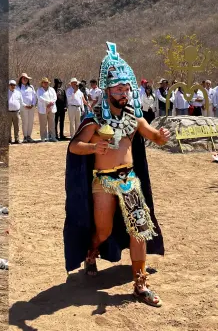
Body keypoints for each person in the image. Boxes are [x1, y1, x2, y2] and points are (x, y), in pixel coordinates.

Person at [64, 42, 169, 307]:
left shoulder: (135, 117)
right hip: (104, 181)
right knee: (104, 229)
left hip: (129, 181)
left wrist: (162, 136)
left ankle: (140, 284)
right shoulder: (95, 118)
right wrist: (94, 147)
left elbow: (154, 137)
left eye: (126, 89)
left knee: (140, 231)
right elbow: (74, 146)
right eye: (119, 89)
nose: (124, 93)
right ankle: (91, 252)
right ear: (108, 90)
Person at [17, 73, 37, 143]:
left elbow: (34, 96)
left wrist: (33, 104)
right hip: (23, 107)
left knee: (30, 122)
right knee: (25, 122)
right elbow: (19, 97)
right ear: (21, 79)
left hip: (31, 107)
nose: (25, 79)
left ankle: (29, 136)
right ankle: (25, 137)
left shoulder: (31, 87)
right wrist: (25, 105)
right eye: (24, 78)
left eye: (26, 78)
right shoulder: (18, 87)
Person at [37, 77, 58, 142]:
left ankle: (52, 137)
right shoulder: (39, 90)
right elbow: (40, 98)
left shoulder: (52, 89)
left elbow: (55, 97)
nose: (45, 84)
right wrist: (48, 103)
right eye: (44, 82)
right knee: (43, 124)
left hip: (51, 107)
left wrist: (51, 103)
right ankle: (44, 137)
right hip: (43, 108)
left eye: (46, 82)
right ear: (42, 83)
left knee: (52, 123)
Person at [8, 79, 25, 144]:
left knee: (17, 127)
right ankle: (8, 140)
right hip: (8, 112)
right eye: (11, 85)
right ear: (9, 85)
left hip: (16, 112)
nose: (13, 86)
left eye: (14, 85)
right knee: (8, 127)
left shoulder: (18, 93)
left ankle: (17, 139)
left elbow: (21, 102)